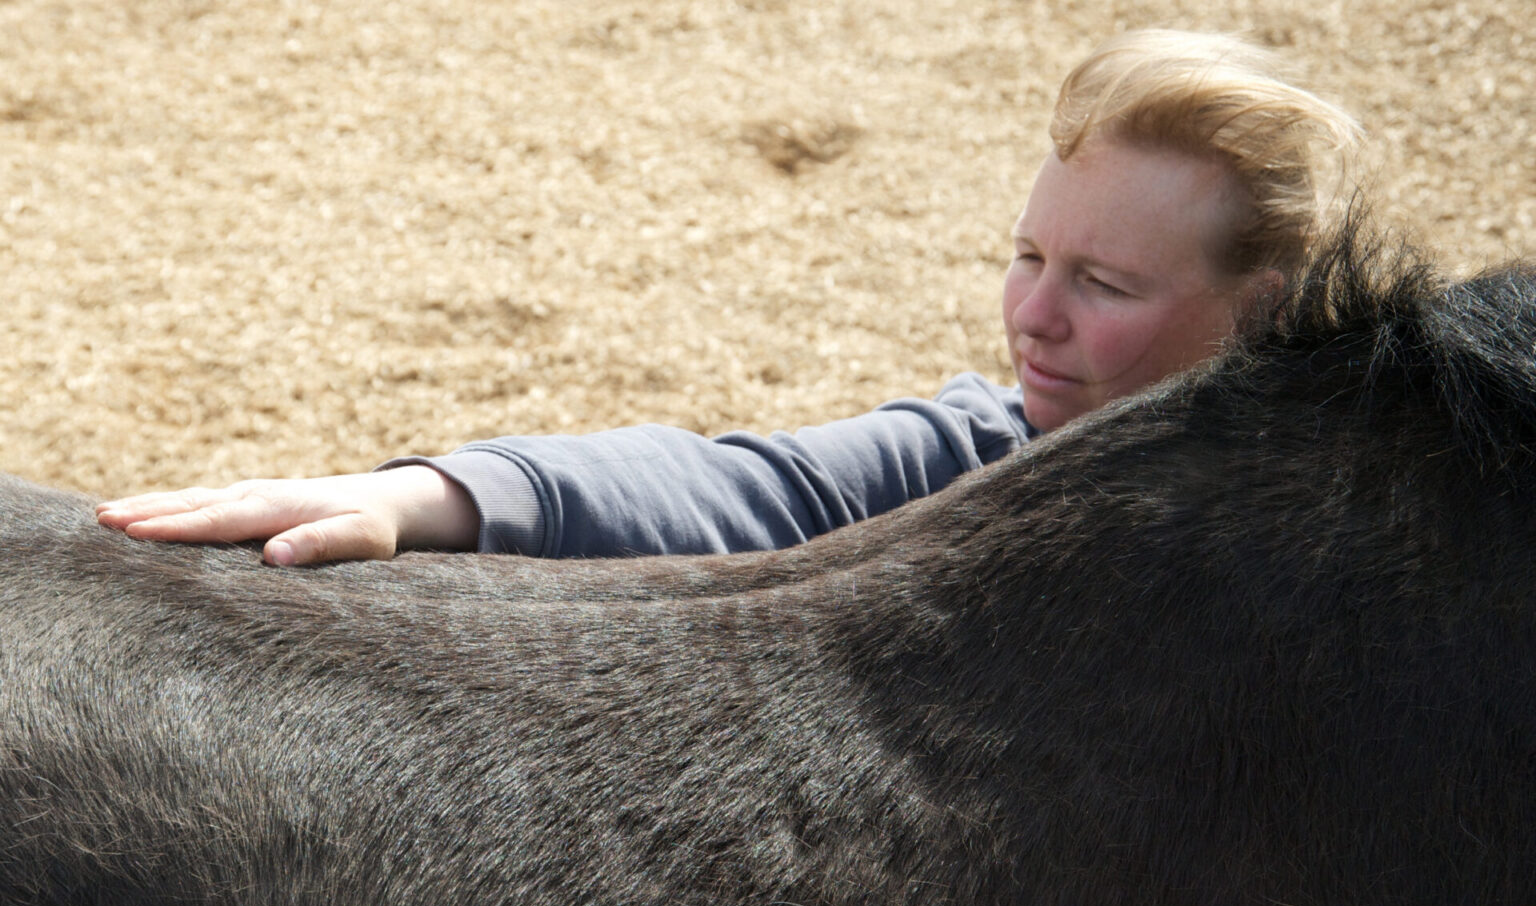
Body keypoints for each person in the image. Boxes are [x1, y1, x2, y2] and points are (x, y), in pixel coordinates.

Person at [97, 29, 1359, 566]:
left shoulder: (1393, 524)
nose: (1033, 314)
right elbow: (759, 488)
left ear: (1264, 306)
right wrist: (431, 495)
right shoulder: (1003, 452)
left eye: (1105, 283)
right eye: (1030, 257)